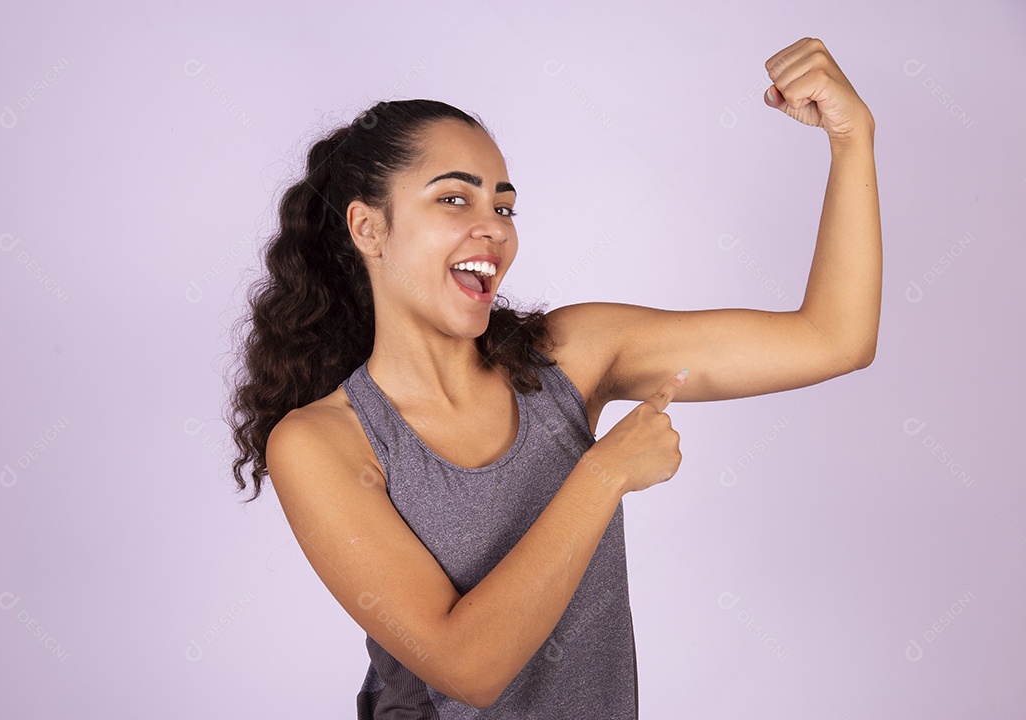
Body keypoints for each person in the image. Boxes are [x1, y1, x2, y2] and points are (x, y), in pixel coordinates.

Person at [226, 37, 880, 719]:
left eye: (503, 208)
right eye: (455, 200)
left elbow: (834, 339)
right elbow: (469, 667)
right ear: (368, 227)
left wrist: (851, 137)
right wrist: (603, 473)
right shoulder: (325, 443)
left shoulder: (568, 358)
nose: (493, 230)